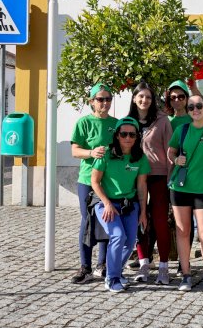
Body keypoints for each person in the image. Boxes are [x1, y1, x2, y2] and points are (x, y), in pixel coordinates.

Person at [168, 94, 203, 293]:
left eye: (199, 105)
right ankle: (186, 274)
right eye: (191, 106)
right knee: (182, 232)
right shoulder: (182, 130)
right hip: (180, 188)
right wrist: (175, 160)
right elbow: (171, 151)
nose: (195, 110)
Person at [91, 117, 149, 292]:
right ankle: (112, 277)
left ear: (137, 137)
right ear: (117, 135)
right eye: (123, 134)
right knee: (117, 236)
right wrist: (107, 203)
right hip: (105, 203)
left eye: (132, 134)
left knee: (130, 241)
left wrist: (143, 212)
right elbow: (95, 182)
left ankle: (114, 270)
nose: (128, 137)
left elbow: (141, 186)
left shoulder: (140, 158)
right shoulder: (106, 154)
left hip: (129, 205)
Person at [127, 82, 173, 284]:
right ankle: (144, 262)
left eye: (148, 97)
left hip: (158, 175)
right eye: (141, 96)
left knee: (160, 220)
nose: (144, 100)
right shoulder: (127, 122)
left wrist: (171, 178)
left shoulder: (162, 120)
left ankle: (163, 266)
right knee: (139, 219)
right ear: (134, 98)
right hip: (134, 176)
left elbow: (170, 151)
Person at [70, 83, 116, 284]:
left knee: (107, 220)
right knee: (87, 222)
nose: (104, 103)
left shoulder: (117, 123)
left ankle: (103, 265)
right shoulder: (83, 123)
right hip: (88, 180)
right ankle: (85, 266)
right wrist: (91, 152)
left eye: (108, 99)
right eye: (100, 99)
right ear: (92, 102)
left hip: (110, 180)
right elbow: (74, 150)